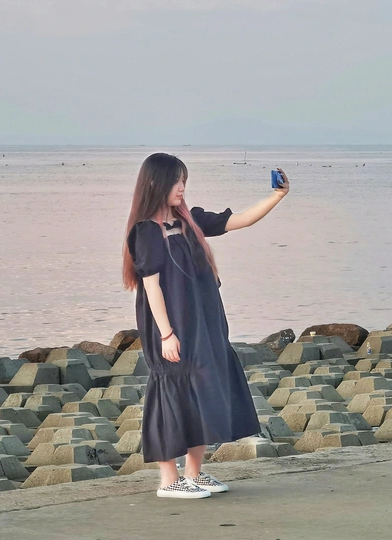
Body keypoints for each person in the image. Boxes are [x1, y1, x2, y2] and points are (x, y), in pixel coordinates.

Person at [122, 153, 289, 499]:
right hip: (171, 326)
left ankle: (193, 473)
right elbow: (152, 288)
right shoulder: (146, 231)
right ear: (155, 183)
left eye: (183, 180)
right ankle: (168, 480)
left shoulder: (190, 220)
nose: (181, 187)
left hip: (204, 321)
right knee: (171, 393)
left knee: (203, 390)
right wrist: (167, 334)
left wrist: (277, 195)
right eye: (175, 181)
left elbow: (240, 220)